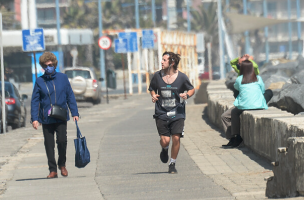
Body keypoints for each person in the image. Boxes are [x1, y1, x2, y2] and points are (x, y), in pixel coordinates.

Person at [31, 52, 79, 179]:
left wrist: (75, 112)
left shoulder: (63, 78)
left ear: (55, 64)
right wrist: (34, 118)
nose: (49, 67)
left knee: (62, 141)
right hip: (46, 118)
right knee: (49, 144)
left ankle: (62, 164)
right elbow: (35, 101)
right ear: (43, 67)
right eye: (46, 65)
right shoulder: (40, 81)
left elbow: (70, 95)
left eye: (51, 64)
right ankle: (53, 170)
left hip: (61, 116)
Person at [149, 51, 195, 174]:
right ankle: (164, 149)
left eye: (164, 60)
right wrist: (153, 96)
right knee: (165, 140)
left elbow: (191, 89)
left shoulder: (182, 77)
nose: (161, 62)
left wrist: (186, 95)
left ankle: (172, 163)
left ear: (172, 63)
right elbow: (152, 88)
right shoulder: (157, 76)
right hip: (161, 112)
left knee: (176, 138)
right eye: (162, 59)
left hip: (178, 112)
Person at [221, 54, 272, 147]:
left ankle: (234, 138)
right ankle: (234, 138)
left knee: (230, 114)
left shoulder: (239, 79)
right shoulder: (258, 78)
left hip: (244, 105)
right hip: (259, 105)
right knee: (269, 92)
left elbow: (236, 88)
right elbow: (263, 90)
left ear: (242, 68)